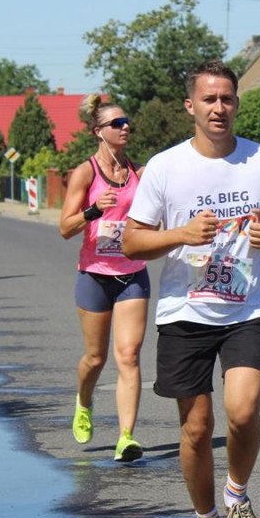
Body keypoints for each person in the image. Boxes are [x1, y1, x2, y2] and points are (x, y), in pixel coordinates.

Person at [123, 60, 260, 518]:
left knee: (243, 412)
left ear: (237, 103)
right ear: (191, 106)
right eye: (209, 99)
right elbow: (132, 241)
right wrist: (180, 234)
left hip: (246, 308)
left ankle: (236, 496)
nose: (219, 107)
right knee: (197, 428)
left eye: (227, 98)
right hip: (184, 313)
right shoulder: (165, 166)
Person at [60, 95, 150, 463]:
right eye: (117, 123)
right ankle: (83, 401)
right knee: (95, 359)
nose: (126, 126)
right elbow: (65, 228)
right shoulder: (85, 173)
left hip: (132, 274)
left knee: (128, 356)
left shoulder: (138, 173)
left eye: (127, 121)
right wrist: (94, 210)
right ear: (99, 132)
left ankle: (127, 436)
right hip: (94, 275)